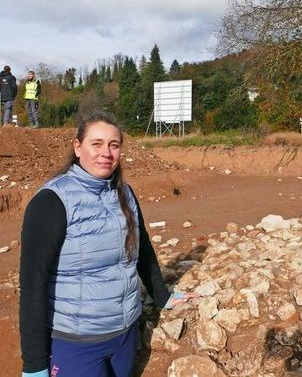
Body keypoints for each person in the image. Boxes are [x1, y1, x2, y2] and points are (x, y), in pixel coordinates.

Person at [19, 110, 195, 377]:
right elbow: (33, 283)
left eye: (114, 145)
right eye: (97, 144)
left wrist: (164, 297)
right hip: (76, 343)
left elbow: (142, 248)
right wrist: (34, 366)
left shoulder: (125, 192)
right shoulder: (52, 201)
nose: (107, 153)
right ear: (78, 147)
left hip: (125, 336)